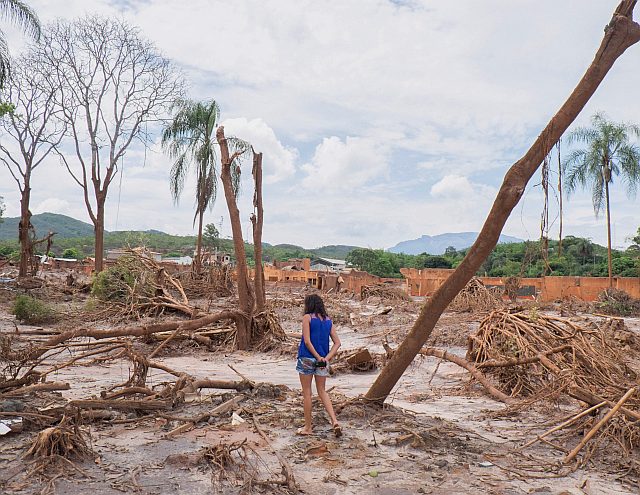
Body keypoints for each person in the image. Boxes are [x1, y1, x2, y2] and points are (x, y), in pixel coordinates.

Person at [296, 293, 342, 437]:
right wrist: (325, 359)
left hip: (307, 358)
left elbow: (307, 341)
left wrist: (317, 357)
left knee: (307, 393)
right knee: (322, 391)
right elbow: (337, 343)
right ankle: (334, 421)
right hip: (323, 362)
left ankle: (308, 428)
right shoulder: (328, 320)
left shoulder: (307, 318)